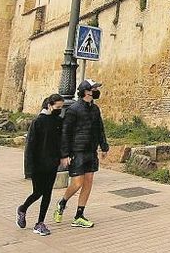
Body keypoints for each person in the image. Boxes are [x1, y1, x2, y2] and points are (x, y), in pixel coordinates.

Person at [53, 79, 108, 228]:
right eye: (94, 88)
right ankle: (62, 202)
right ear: (86, 91)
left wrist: (104, 147)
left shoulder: (95, 109)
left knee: (88, 182)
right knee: (77, 183)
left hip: (91, 150)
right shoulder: (74, 109)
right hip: (78, 151)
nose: (96, 91)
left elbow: (99, 129)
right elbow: (66, 133)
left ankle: (79, 215)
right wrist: (64, 155)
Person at [17, 94, 64, 236]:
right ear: (49, 105)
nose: (60, 110)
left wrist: (62, 156)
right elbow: (30, 146)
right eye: (58, 107)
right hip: (38, 164)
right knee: (38, 192)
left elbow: (60, 141)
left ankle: (40, 223)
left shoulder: (58, 121)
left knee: (48, 193)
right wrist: (29, 170)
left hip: (52, 163)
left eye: (61, 107)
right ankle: (22, 209)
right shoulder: (38, 122)